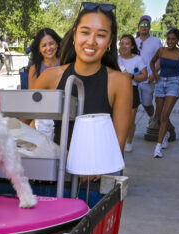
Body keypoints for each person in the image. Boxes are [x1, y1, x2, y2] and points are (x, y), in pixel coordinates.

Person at [32, 2, 132, 152]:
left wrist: (92, 168)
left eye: (101, 35)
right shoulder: (50, 77)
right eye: (85, 32)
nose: (91, 41)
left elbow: (118, 143)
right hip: (57, 172)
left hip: (98, 172)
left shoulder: (120, 82)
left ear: (110, 42)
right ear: (74, 34)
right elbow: (21, 123)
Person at [149, 28, 179, 158]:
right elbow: (152, 62)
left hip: (174, 83)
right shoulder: (161, 51)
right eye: (168, 39)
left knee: (164, 115)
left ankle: (158, 147)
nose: (170, 41)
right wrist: (155, 73)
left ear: (178, 39)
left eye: (173, 39)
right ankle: (166, 134)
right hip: (160, 82)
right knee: (159, 114)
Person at [118, 34, 147, 153]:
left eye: (127, 43)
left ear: (132, 46)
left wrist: (132, 76)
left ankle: (129, 142)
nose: (124, 46)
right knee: (118, 119)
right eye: (122, 43)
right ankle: (119, 140)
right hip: (117, 91)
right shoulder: (115, 58)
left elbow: (144, 76)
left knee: (130, 120)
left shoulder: (138, 59)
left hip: (132, 90)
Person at [136, 15, 163, 124]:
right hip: (136, 77)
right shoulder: (135, 42)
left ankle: (153, 118)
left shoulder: (156, 42)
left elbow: (161, 59)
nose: (144, 27)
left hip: (149, 78)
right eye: (142, 25)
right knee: (133, 103)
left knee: (147, 103)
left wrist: (154, 73)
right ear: (138, 27)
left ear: (149, 27)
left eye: (146, 25)